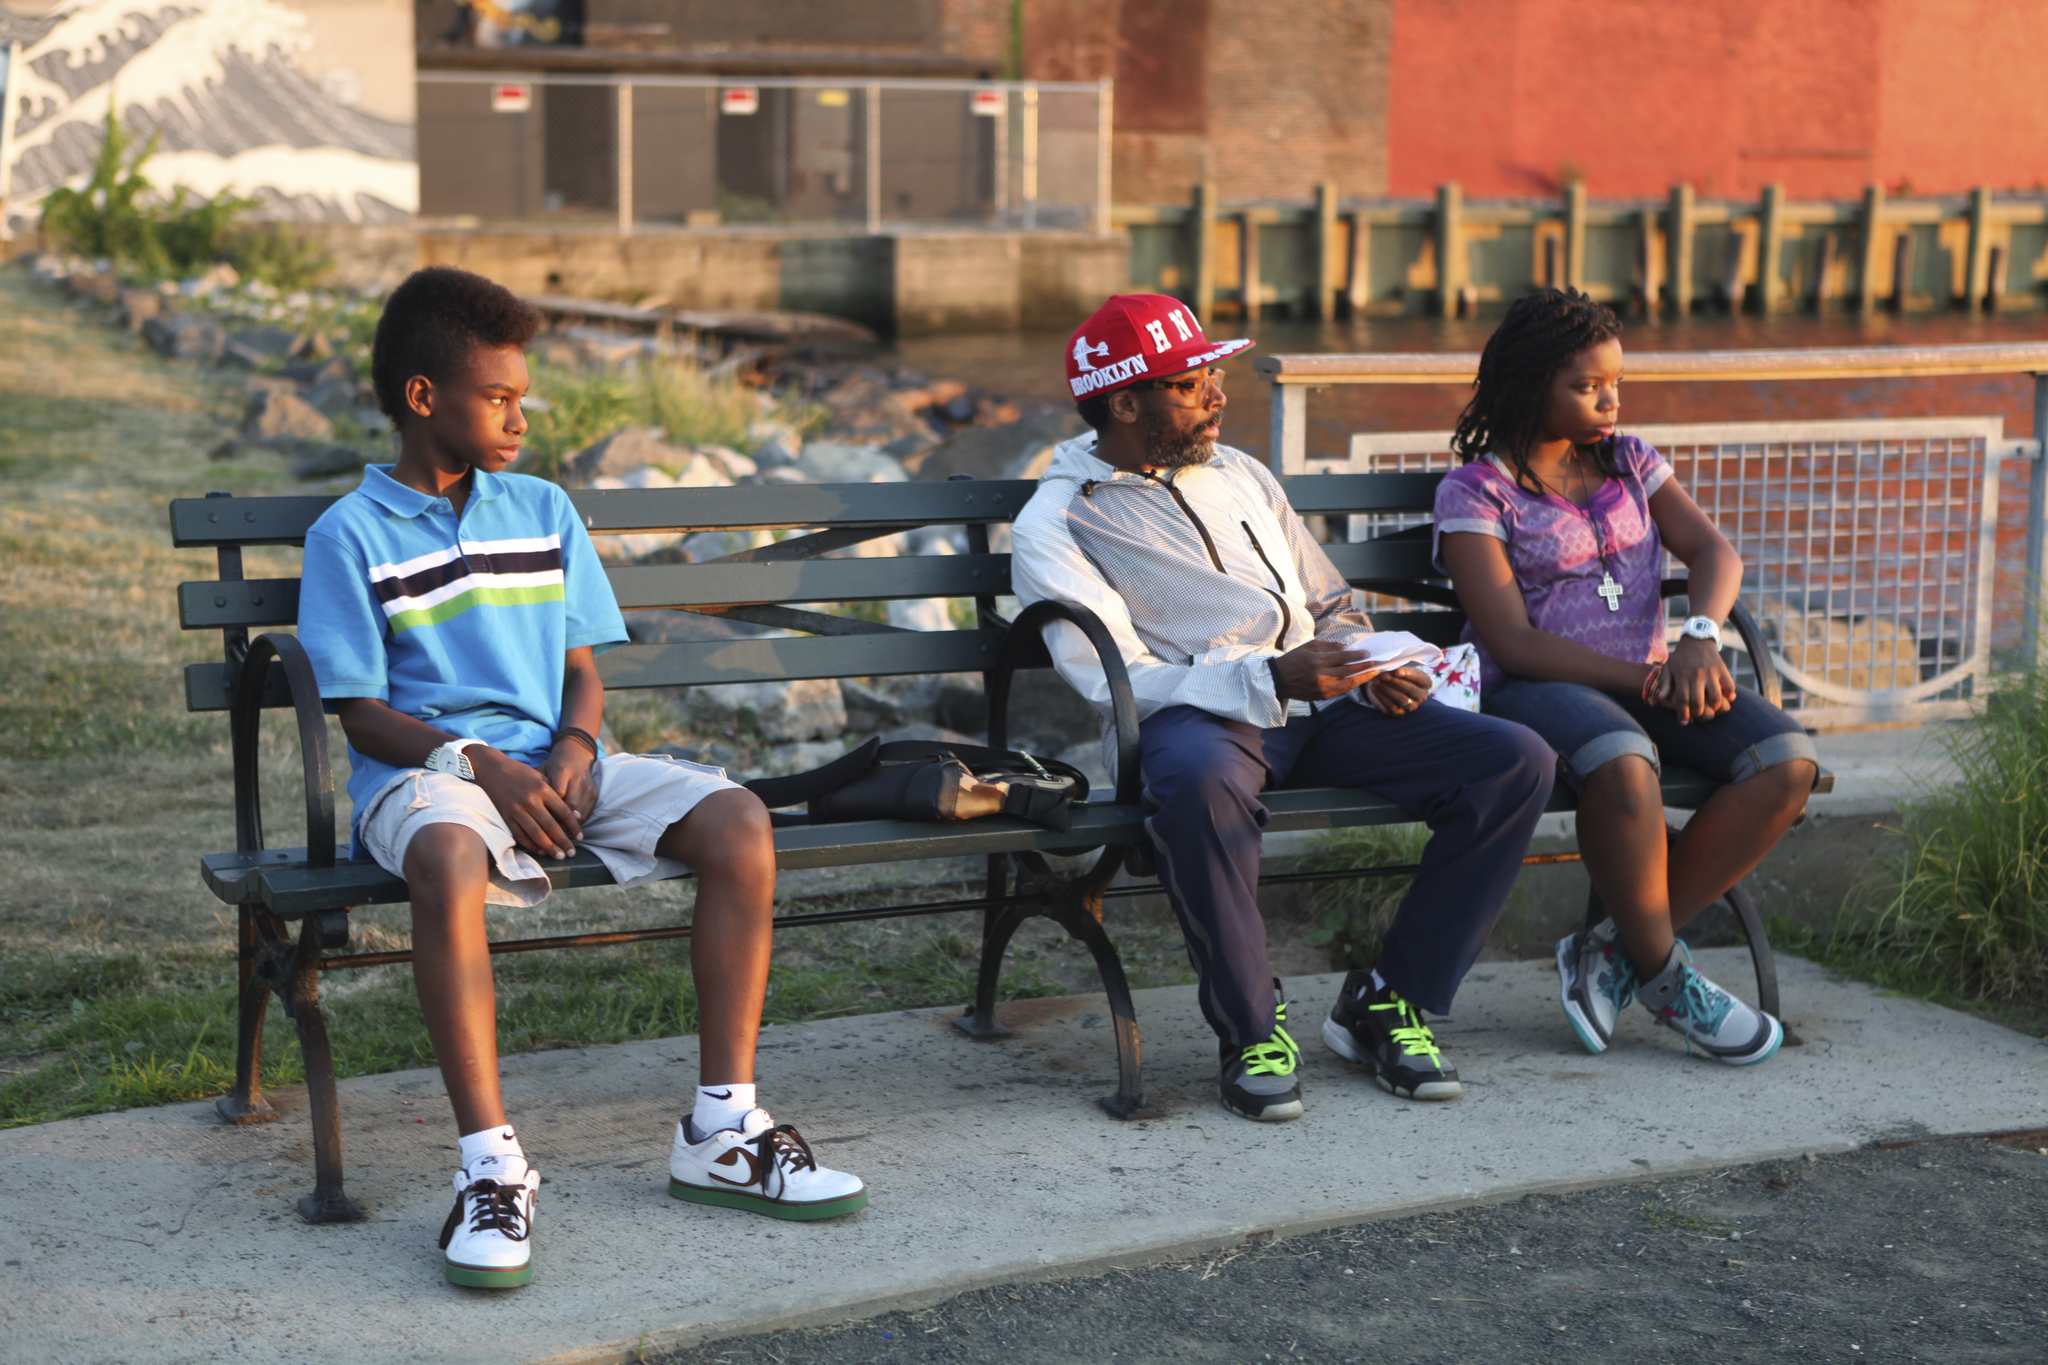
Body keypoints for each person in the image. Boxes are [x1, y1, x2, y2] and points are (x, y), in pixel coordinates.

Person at [297, 267, 865, 1291]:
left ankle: (723, 1131)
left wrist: (570, 752)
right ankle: (490, 1172)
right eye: (498, 399)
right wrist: (482, 765)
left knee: (737, 821)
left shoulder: (542, 509)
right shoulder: (349, 535)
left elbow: (579, 671)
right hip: (429, 774)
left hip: (555, 762)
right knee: (445, 851)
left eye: (523, 398)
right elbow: (357, 707)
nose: (520, 419)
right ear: (424, 398)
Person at [1010, 293, 1556, 1124]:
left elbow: (1329, 600)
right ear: (1126, 402)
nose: (1219, 395)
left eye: (1215, 375)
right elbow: (1111, 673)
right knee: (1196, 788)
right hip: (1203, 718)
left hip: (1322, 703)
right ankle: (1252, 1031)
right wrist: (1268, 681)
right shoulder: (1057, 520)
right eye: (1194, 383)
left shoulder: (1242, 474)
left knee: (1516, 761)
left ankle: (1387, 999)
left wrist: (1368, 663)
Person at [1435, 288, 1820, 1068]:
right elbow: (1512, 640)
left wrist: (1699, 639)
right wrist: (1640, 680)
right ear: (1529, 380)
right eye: (1587, 385)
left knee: (1786, 763)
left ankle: (1609, 950)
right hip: (1533, 688)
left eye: (1616, 383)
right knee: (1624, 760)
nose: (1610, 400)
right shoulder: (1477, 491)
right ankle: (1670, 978)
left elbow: (1715, 554)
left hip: (1653, 679)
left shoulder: (1631, 461)